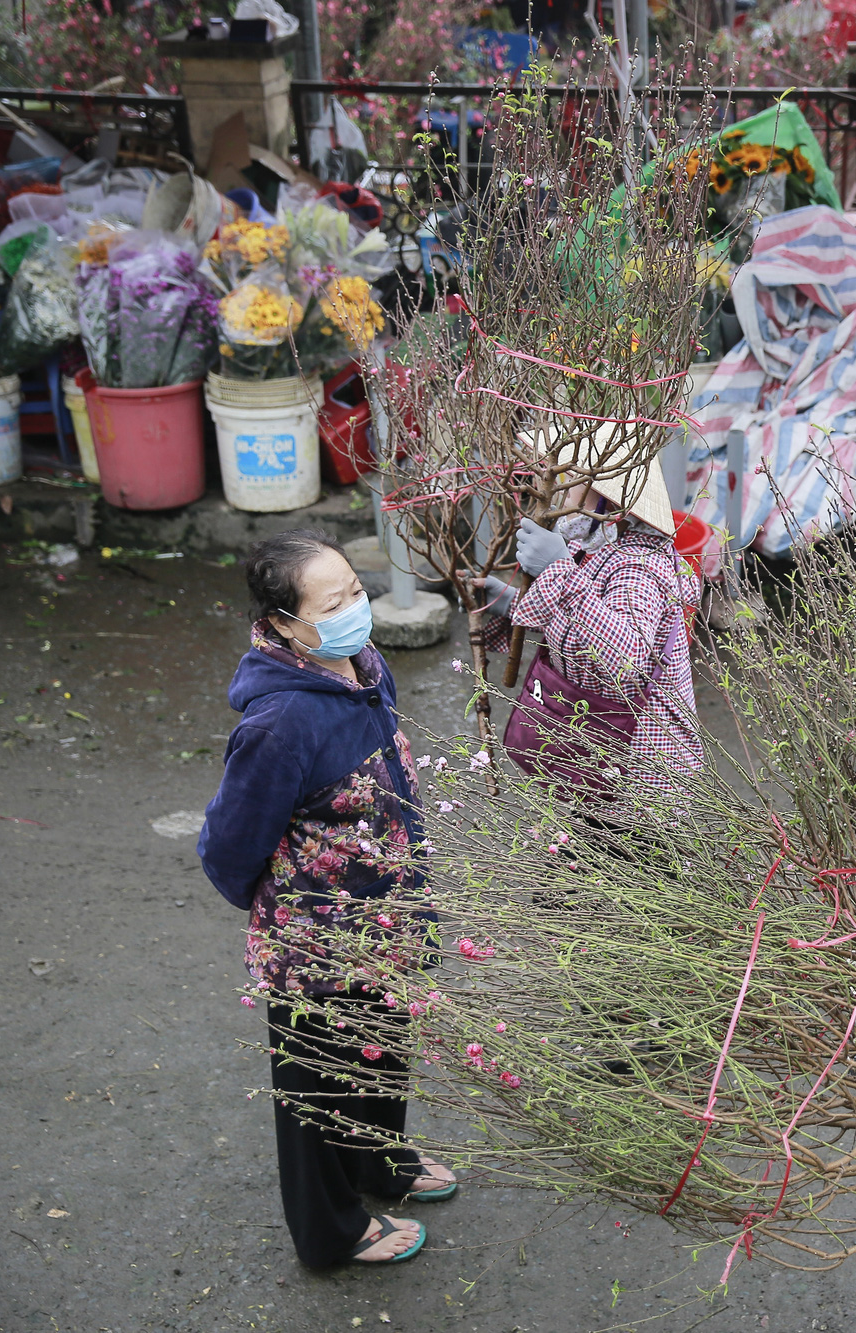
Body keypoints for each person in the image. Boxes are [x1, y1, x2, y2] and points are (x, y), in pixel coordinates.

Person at [198, 529, 456, 1269]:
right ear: (285, 623)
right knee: (317, 1084)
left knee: (381, 1054)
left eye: (355, 590)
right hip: (316, 940)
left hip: (387, 915)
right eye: (333, 600)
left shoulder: (362, 665)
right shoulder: (281, 721)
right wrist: (298, 907)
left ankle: (380, 1163)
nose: (355, 608)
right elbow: (230, 843)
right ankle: (330, 1230)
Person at [478, 457, 702, 821]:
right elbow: (578, 622)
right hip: (598, 763)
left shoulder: (638, 565)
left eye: (567, 479)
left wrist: (557, 570)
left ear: (605, 497)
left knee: (630, 873)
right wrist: (504, 601)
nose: (555, 489)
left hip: (641, 780)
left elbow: (624, 661)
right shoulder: (596, 547)